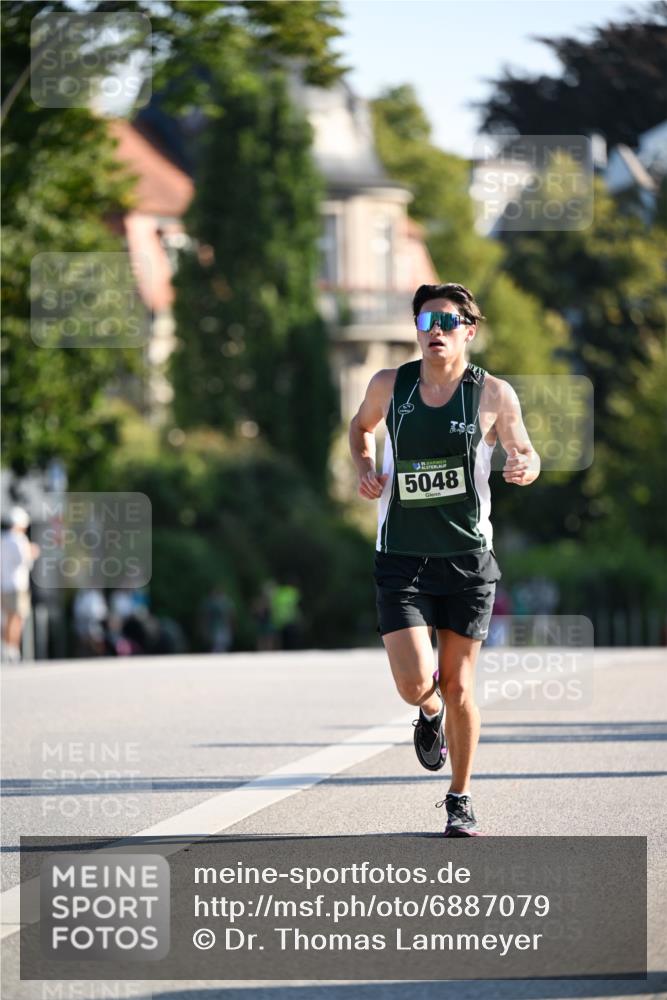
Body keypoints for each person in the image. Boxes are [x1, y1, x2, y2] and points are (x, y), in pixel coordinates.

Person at [348, 282, 540, 837]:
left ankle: (460, 796)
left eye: (448, 322)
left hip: (466, 559)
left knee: (460, 686)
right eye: (427, 320)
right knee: (415, 685)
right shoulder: (390, 385)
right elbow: (360, 428)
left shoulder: (493, 394)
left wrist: (524, 465)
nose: (436, 330)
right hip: (402, 557)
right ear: (417, 330)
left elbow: (523, 449)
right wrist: (365, 465)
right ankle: (426, 714)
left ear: (468, 332)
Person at [1, 506, 40, 663]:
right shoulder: (19, 539)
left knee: (6, 618)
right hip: (17, 584)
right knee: (16, 617)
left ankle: (6, 647)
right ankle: (12, 649)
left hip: (3, 584)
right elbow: (24, 560)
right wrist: (32, 551)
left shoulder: (3, 539)